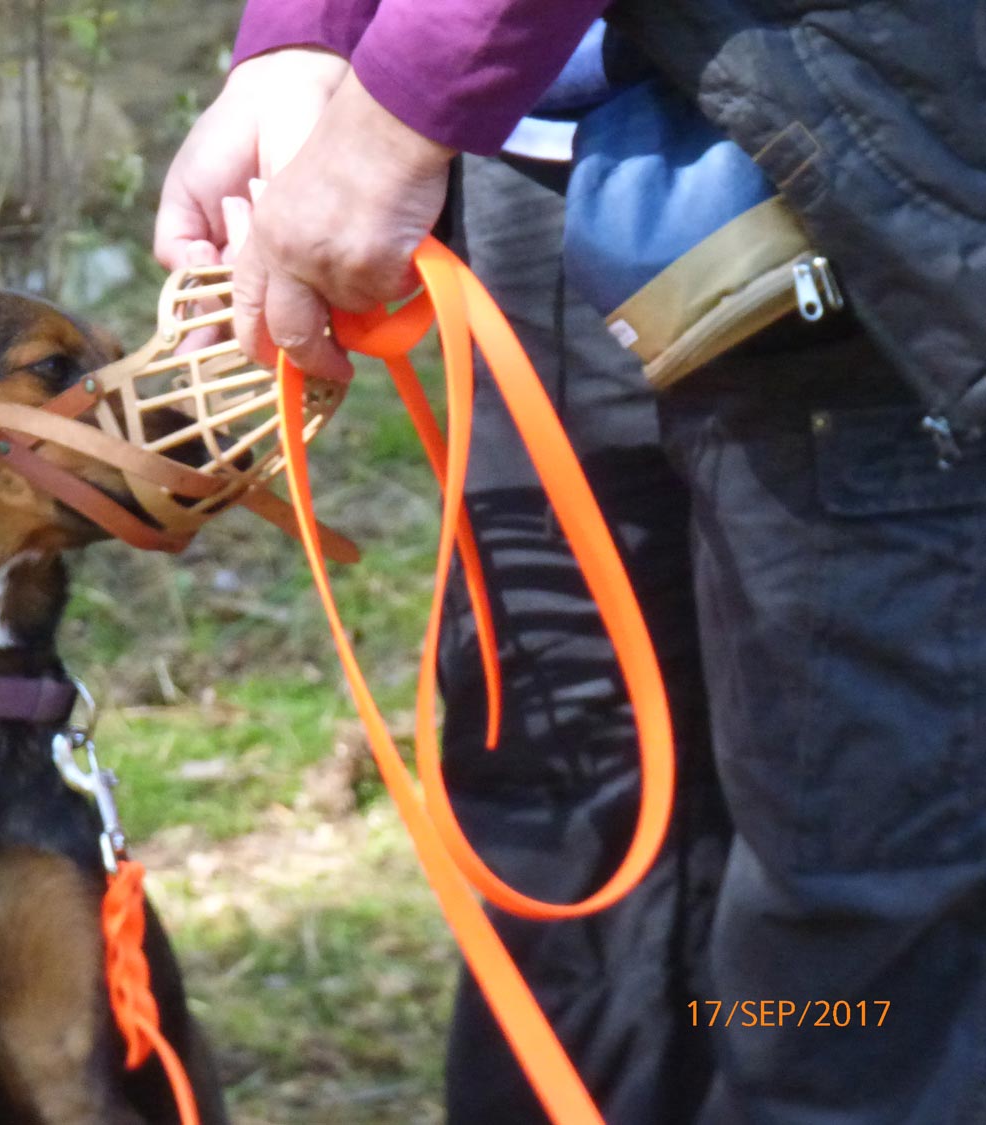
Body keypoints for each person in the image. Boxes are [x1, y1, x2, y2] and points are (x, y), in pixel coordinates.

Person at [155, 2, 986, 1123]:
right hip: (547, 154)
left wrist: (404, 99)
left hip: (875, 145)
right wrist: (306, 37)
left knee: (857, 911)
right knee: (570, 825)